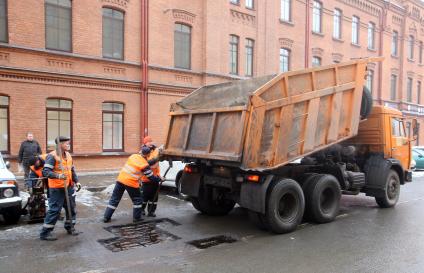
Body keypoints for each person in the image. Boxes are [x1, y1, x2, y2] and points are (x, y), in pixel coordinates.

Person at [103, 146, 162, 223]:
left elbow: (144, 162)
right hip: (130, 182)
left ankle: (106, 217)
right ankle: (137, 218)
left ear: (141, 151)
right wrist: (160, 179)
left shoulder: (133, 156)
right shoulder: (144, 165)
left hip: (120, 180)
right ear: (148, 155)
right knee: (138, 200)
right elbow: (151, 178)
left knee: (114, 199)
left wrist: (155, 159)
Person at [39, 136, 81, 241]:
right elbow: (46, 171)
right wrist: (58, 176)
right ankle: (45, 233)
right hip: (57, 188)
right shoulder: (52, 156)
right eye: (67, 143)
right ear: (60, 144)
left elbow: (72, 170)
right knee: (54, 210)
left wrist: (77, 181)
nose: (69, 145)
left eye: (69, 143)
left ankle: (70, 227)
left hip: (69, 186)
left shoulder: (68, 155)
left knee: (71, 208)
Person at [141, 136, 162, 217]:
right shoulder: (142, 152)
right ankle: (141, 210)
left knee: (154, 197)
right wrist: (154, 165)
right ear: (145, 143)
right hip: (146, 178)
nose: (150, 143)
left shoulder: (156, 150)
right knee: (144, 196)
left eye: (151, 141)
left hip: (155, 177)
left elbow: (157, 163)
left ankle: (151, 211)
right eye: (148, 142)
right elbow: (147, 164)